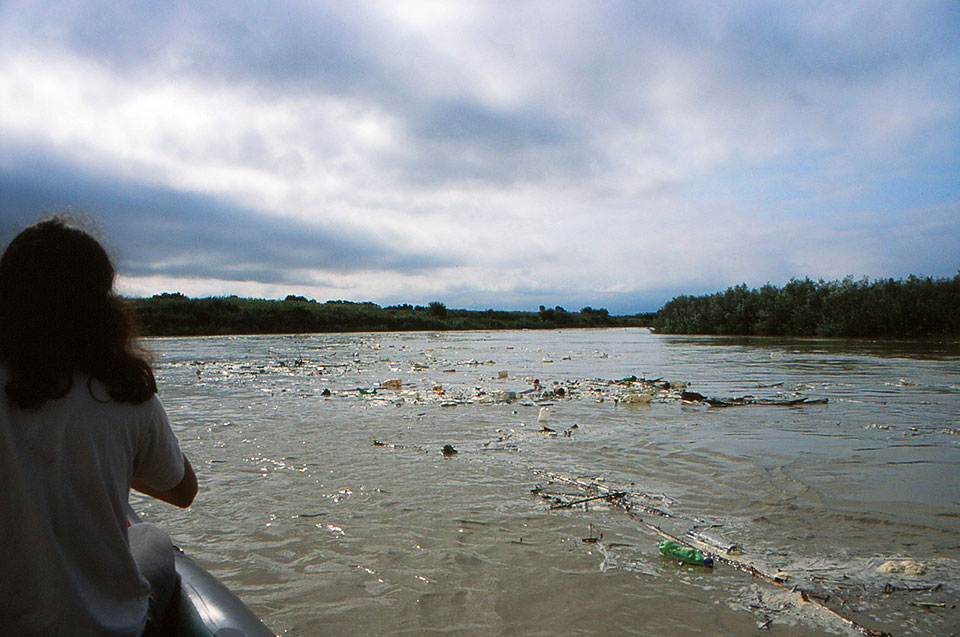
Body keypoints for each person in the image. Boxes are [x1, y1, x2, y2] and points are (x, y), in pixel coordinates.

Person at [0, 217, 198, 636]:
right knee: (153, 539)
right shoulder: (125, 391)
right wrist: (114, 465)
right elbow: (183, 491)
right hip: (110, 628)